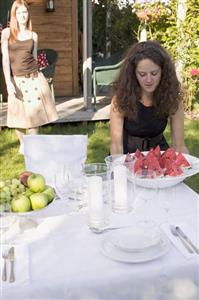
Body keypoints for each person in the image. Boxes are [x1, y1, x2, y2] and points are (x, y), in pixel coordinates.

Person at [110, 40, 189, 155]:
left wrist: (186, 167)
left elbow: (179, 145)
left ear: (163, 72)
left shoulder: (172, 98)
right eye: (142, 74)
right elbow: (116, 145)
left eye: (154, 73)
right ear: (133, 74)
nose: (148, 80)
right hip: (126, 155)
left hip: (159, 154)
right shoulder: (121, 99)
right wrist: (118, 169)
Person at [1, 0, 58, 154]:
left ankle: (33, 145)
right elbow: (5, 59)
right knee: (17, 115)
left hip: (33, 77)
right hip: (16, 80)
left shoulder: (33, 35)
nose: (22, 16)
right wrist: (8, 81)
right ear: (14, 15)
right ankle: (23, 143)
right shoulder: (7, 33)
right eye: (19, 13)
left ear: (28, 14)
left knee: (35, 115)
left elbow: (34, 56)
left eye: (24, 12)